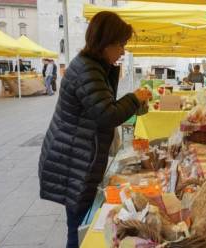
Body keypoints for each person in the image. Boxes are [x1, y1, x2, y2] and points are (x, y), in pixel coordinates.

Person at [38, 11, 152, 248]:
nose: (123, 51)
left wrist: (134, 101)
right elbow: (106, 115)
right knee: (78, 226)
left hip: (77, 154)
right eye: (120, 45)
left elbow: (105, 105)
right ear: (105, 42)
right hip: (73, 159)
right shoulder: (86, 70)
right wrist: (135, 97)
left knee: (78, 220)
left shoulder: (95, 66)